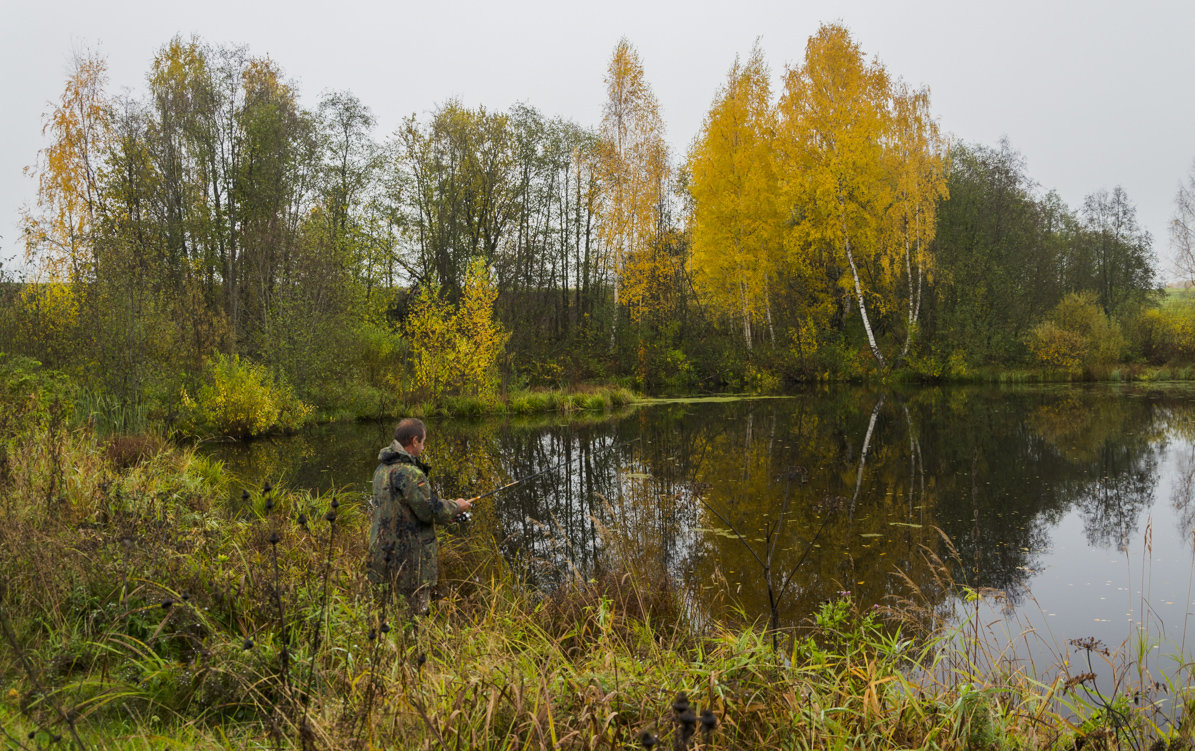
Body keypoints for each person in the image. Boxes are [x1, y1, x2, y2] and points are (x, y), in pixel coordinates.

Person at [368, 418, 472, 615]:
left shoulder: (382, 469)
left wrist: (445, 515)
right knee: (413, 616)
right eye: (423, 442)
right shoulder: (409, 473)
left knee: (387, 615)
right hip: (409, 563)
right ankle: (413, 644)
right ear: (414, 441)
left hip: (383, 556)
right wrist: (456, 506)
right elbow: (429, 510)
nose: (424, 447)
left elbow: (401, 509)